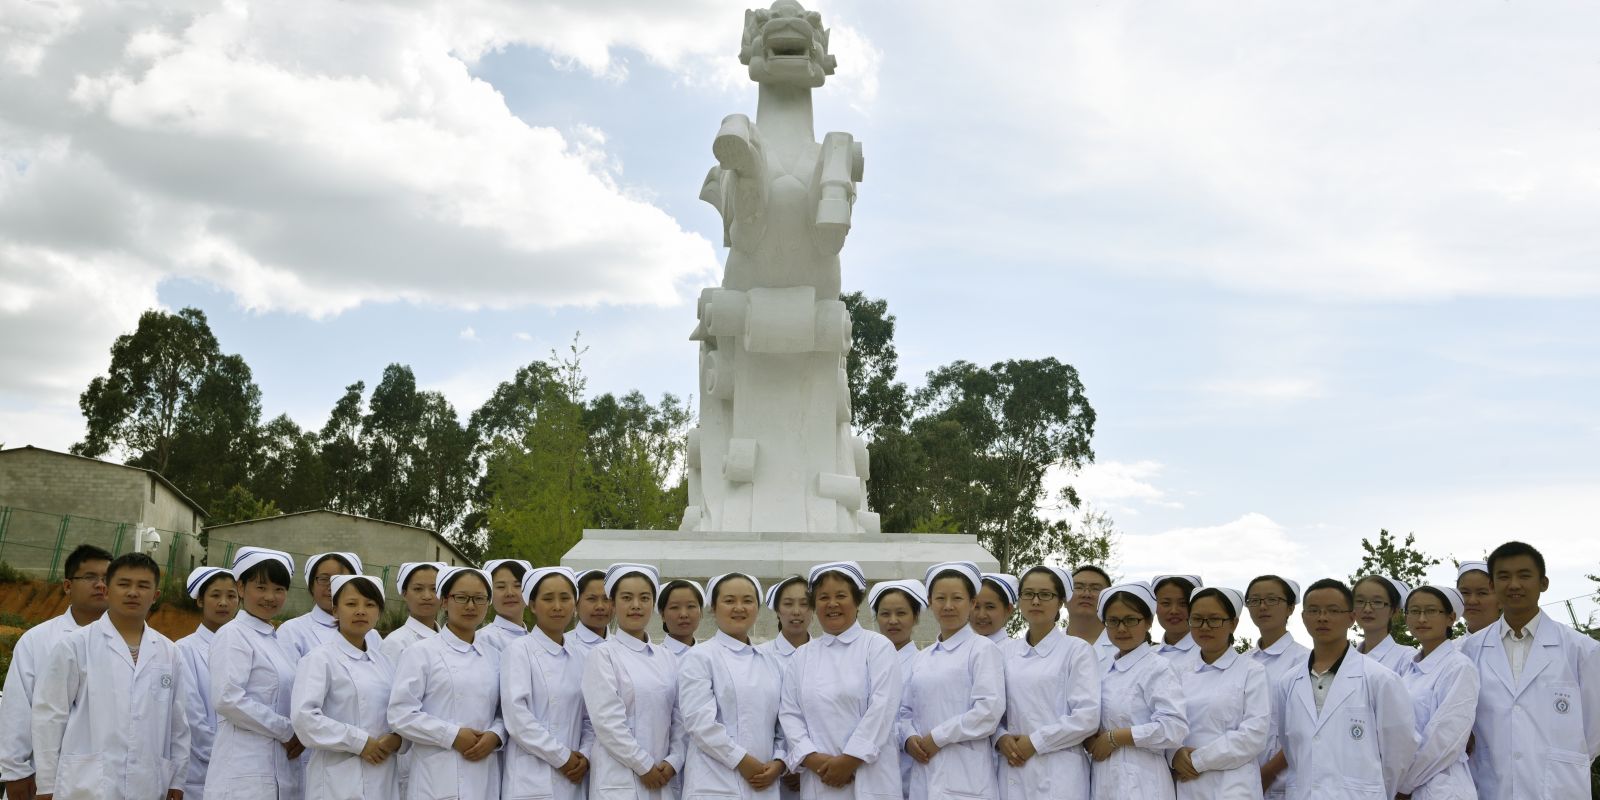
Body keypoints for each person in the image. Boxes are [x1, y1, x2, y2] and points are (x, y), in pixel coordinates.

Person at [30, 552, 189, 800]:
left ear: (155, 595)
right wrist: (47, 784)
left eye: (143, 586)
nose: (133, 592)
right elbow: (49, 716)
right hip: (86, 786)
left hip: (148, 784)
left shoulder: (170, 652)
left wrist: (177, 779)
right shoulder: (75, 646)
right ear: (106, 590)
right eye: (124, 584)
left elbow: (178, 723)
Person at [1456, 540, 1600, 799]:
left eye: (1524, 575)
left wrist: (1565, 760)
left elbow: (1594, 729)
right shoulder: (1470, 651)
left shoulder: (1581, 650)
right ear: (1493, 585)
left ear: (1543, 583)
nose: (1514, 585)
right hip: (1489, 785)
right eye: (1503, 576)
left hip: (1558, 789)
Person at [1274, 578, 1416, 799]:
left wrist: (1375, 791)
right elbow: (1291, 747)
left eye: (1333, 610)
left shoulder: (1380, 678)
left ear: (1351, 618)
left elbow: (1398, 753)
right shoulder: (1288, 682)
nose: (1322, 617)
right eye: (1314, 610)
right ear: (1303, 617)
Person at [778, 561, 902, 800]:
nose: (832, 604)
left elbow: (882, 709)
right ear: (815, 605)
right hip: (819, 779)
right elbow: (790, 714)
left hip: (869, 776)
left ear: (856, 601)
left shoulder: (877, 647)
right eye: (823, 597)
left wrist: (849, 760)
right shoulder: (802, 656)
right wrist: (812, 758)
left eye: (841, 596)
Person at [0, 544, 111, 800]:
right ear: (67, 586)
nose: (100, 585)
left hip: (106, 777)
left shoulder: (129, 642)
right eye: (90, 577)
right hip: (43, 775)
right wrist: (16, 771)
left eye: (107, 578)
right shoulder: (38, 640)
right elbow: (17, 708)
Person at [388, 566, 506, 799]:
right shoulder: (420, 652)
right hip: (436, 776)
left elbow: (505, 712)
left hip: (484, 772)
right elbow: (400, 714)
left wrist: (496, 735)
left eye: (479, 599)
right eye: (461, 597)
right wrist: (451, 735)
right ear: (444, 601)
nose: (470, 606)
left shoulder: (495, 657)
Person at [204, 546, 306, 799]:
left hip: (281, 769)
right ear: (241, 588)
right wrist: (286, 730)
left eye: (279, 589)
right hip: (244, 771)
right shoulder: (233, 634)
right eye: (261, 587)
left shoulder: (277, 641)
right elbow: (227, 699)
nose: (270, 597)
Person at [291, 574, 405, 799]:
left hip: (382, 774)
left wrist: (398, 739)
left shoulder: (385, 663)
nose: (361, 611)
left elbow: (399, 712)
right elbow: (304, 719)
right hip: (336, 780)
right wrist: (359, 742)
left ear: (379, 613)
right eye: (351, 604)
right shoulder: (320, 659)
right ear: (335, 611)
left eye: (370, 605)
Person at [899, 561, 1006, 800]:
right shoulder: (922, 658)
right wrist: (908, 738)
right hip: (924, 770)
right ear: (930, 602)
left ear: (972, 603)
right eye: (940, 598)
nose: (948, 606)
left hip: (966, 776)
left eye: (957, 598)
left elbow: (988, 711)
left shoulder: (982, 649)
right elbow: (905, 710)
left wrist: (938, 737)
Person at [581, 562, 686, 800]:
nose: (636, 605)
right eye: (627, 598)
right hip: (619, 779)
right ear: (612, 604)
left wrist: (674, 760)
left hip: (662, 775)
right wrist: (643, 765)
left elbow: (680, 717)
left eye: (644, 598)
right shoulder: (602, 655)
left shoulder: (667, 658)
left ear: (653, 604)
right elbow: (607, 722)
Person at [679, 572, 787, 800]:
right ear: (713, 608)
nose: (739, 608)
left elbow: (782, 723)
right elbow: (699, 723)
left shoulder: (771, 662)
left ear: (757, 607)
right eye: (729, 601)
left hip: (764, 783)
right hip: (713, 784)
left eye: (747, 600)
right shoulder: (700, 657)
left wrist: (779, 761)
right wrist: (741, 761)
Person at [995, 565, 1099, 800]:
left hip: (1059, 771)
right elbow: (994, 709)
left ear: (1060, 601)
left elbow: (1087, 717)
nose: (1035, 601)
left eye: (1045, 594)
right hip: (1012, 767)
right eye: (1028, 594)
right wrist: (1000, 737)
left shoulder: (1077, 651)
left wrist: (1035, 742)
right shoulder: (1005, 652)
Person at [1085, 582, 1186, 800]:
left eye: (1131, 620)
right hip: (1104, 777)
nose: (1121, 628)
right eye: (1113, 621)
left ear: (1148, 622)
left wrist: (1117, 737)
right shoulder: (1103, 671)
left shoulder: (1158, 668)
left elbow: (1173, 728)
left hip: (1144, 780)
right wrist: (1090, 738)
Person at [500, 566, 593, 800]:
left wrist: (585, 755)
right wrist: (562, 757)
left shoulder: (582, 656)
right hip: (531, 777)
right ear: (532, 605)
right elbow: (517, 717)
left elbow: (590, 717)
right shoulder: (518, 651)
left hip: (574, 775)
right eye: (548, 599)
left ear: (575, 604)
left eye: (565, 598)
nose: (557, 606)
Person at [1169, 587, 1270, 799]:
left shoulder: (1252, 671)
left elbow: (1254, 735)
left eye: (1214, 619)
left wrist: (1198, 761)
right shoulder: (1177, 672)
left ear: (1233, 624)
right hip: (1186, 784)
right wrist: (1173, 755)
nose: (1205, 627)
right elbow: (1167, 723)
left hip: (1234, 786)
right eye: (1197, 619)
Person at [1396, 585, 1478, 799]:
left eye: (1431, 611)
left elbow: (1444, 739)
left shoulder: (1459, 667)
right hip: (1405, 782)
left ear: (1451, 618)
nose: (1422, 619)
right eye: (1414, 611)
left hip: (1441, 787)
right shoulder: (1408, 669)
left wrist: (1404, 786)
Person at [176, 565, 240, 800]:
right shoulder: (184, 650)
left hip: (247, 767)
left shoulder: (246, 647)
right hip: (203, 769)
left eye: (231, 596)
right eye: (215, 595)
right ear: (200, 601)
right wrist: (227, 757)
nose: (224, 603)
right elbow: (192, 716)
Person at [1243, 574, 1309, 799]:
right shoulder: (1240, 661)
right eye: (1254, 600)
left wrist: (1268, 773)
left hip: (1284, 781)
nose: (1263, 606)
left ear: (1290, 608)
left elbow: (1305, 728)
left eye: (1272, 599)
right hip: (1240, 778)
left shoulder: (1305, 661)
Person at [867, 579, 926, 799]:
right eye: (885, 614)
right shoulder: (864, 663)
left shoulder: (924, 663)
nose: (893, 621)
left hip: (911, 764)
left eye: (901, 613)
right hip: (868, 765)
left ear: (915, 617)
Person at [758, 574, 813, 800]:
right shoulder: (759, 656)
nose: (796, 611)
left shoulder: (826, 656)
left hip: (817, 768)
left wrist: (804, 765)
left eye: (804, 604)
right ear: (777, 610)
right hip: (767, 767)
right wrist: (784, 763)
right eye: (788, 604)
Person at [279, 551, 383, 660]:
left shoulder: (372, 635)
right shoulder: (292, 631)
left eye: (341, 581)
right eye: (324, 579)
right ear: (311, 586)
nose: (332, 587)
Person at [1350, 575, 1417, 674]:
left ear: (1394, 611)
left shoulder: (1408, 659)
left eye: (1377, 602)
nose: (1367, 609)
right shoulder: (1347, 658)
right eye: (1360, 601)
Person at [380, 561, 444, 664]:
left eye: (434, 589)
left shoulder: (448, 639)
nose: (427, 596)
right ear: (404, 594)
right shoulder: (395, 644)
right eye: (418, 589)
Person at [478, 558, 533, 655]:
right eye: (501, 587)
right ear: (489, 593)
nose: (510, 593)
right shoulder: (482, 640)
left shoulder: (536, 640)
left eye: (517, 585)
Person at [1064, 566, 1115, 666]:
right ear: (1064, 599)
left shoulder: (1124, 648)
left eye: (1095, 588)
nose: (1086, 594)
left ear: (1108, 600)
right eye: (1078, 587)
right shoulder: (1048, 645)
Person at [1151, 574, 1202, 661]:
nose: (1174, 611)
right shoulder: (1146, 655)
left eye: (1183, 603)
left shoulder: (1209, 655)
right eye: (1166, 603)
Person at [570, 568, 613, 655]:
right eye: (591, 599)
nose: (600, 606)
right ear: (576, 603)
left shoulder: (624, 647)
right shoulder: (564, 647)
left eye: (606, 599)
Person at [659, 579, 706, 656]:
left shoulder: (710, 656)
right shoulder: (655, 657)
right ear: (662, 615)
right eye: (674, 607)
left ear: (701, 612)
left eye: (690, 606)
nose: (683, 614)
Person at [971, 573, 1019, 645]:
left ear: (1008, 609)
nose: (981, 615)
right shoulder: (960, 647)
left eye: (990, 607)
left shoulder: (1015, 650)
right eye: (975, 607)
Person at [1454, 561, 1499, 635]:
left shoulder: (1514, 641)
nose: (1472, 601)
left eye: (1482, 593)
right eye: (1465, 592)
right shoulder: (1453, 643)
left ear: (1500, 600)